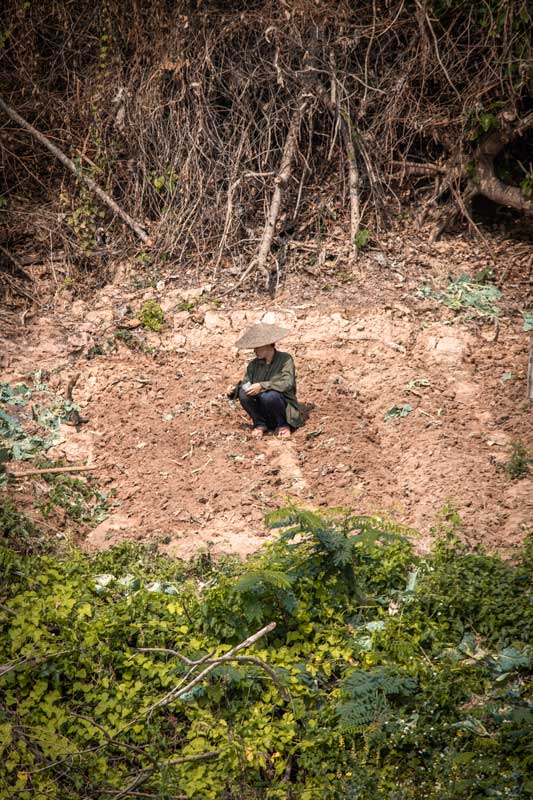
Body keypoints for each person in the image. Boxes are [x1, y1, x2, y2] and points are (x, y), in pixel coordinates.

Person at [229, 323, 303, 439]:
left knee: (269, 396)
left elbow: (287, 383)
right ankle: (260, 424)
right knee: (244, 393)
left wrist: (262, 386)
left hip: (282, 407)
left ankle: (283, 425)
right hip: (263, 409)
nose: (255, 351)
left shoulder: (285, 359)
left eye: (258, 347)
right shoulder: (253, 365)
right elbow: (246, 383)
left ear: (269, 345)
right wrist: (234, 390)